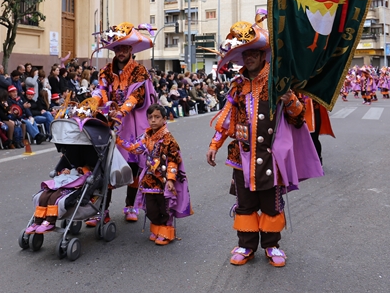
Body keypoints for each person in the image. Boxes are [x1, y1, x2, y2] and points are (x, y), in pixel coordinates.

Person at [205, 17, 323, 268]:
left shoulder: (277, 82)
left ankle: (272, 245)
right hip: (241, 155)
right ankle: (246, 245)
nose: (248, 59)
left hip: (271, 155)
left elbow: (299, 117)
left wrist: (288, 97)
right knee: (245, 203)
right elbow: (225, 119)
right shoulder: (237, 87)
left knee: (271, 203)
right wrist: (215, 144)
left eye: (252, 54)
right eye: (244, 55)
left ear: (262, 55)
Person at [89, 22, 157, 224]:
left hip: (132, 124)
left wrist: (121, 112)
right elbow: (100, 90)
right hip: (109, 123)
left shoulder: (139, 71)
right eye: (117, 48)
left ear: (131, 49)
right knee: (105, 165)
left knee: (133, 165)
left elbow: (136, 95)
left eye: (124, 48)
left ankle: (131, 205)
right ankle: (102, 209)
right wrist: (94, 102)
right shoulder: (105, 71)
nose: (120, 52)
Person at [116, 104, 192, 245]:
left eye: (157, 117)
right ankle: (156, 229)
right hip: (149, 179)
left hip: (163, 180)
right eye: (150, 117)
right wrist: (118, 140)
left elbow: (174, 161)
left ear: (164, 119)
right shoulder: (147, 136)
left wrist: (170, 179)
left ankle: (166, 232)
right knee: (151, 208)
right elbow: (135, 148)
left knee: (164, 207)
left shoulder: (169, 139)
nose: (153, 120)